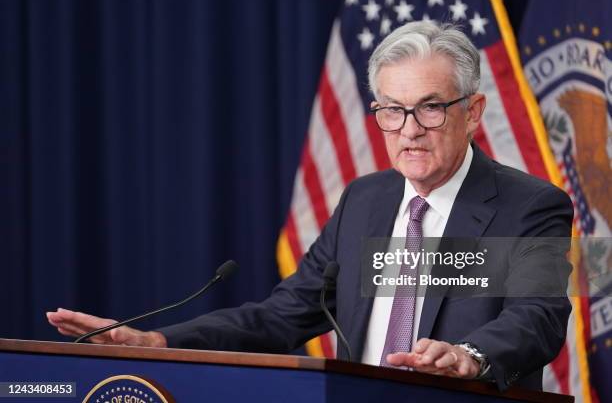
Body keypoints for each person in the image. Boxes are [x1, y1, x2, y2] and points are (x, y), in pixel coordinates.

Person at [47, 21, 573, 391]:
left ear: (473, 110)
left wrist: (470, 355)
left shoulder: (529, 206)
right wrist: (159, 341)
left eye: (430, 109)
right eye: (392, 110)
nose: (409, 130)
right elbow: (280, 317)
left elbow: (538, 315)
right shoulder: (365, 200)